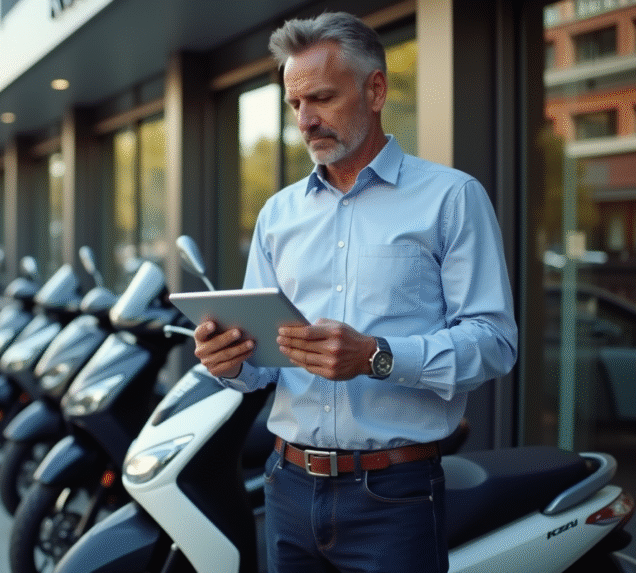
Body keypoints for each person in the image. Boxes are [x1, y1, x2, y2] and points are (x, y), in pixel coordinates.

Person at [192, 12, 518, 573]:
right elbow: (264, 363)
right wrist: (229, 361)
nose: (306, 120)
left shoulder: (452, 199)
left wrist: (376, 357)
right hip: (286, 487)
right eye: (295, 105)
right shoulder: (278, 215)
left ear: (375, 90)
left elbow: (494, 342)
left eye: (320, 98)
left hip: (396, 496)